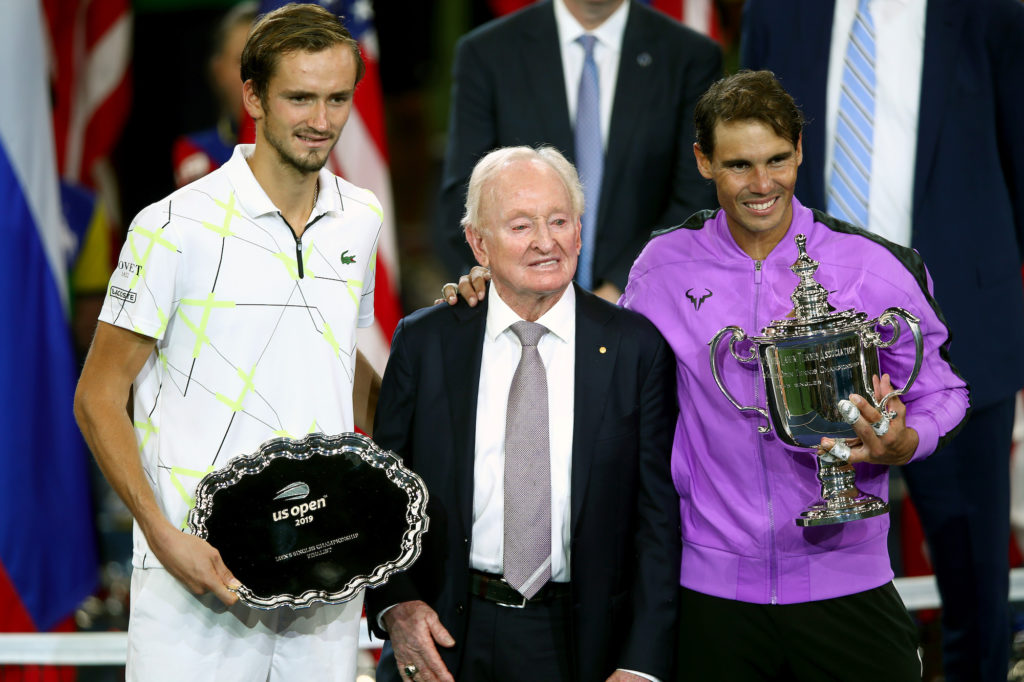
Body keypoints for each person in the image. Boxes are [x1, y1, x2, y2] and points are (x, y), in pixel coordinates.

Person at [73, 5, 382, 680]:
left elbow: (335, 352)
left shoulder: (360, 217)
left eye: (337, 99)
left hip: (321, 585)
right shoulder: (171, 225)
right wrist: (162, 535)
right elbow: (98, 396)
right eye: (299, 97)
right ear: (252, 96)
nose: (321, 121)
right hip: (195, 587)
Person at [740, 2, 1024, 678]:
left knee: (972, 587)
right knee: (811, 588)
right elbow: (748, 166)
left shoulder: (992, 16)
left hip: (960, 344)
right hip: (800, 350)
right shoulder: (778, 13)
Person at [366, 146, 680, 682]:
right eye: (520, 225)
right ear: (477, 243)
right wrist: (396, 607)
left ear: (580, 232)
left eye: (559, 221)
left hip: (585, 647)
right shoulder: (426, 342)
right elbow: (381, 497)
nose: (545, 241)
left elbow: (658, 522)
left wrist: (641, 663)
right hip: (445, 634)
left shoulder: (636, 349)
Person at [434, 0, 722, 302]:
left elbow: (695, 196)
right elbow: (467, 195)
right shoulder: (487, 53)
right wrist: (519, 289)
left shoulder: (690, 56)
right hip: (520, 306)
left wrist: (617, 291)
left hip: (642, 307)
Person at [172, 2, 257, 188]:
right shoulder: (197, 151)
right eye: (242, 61)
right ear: (217, 71)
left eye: (265, 61)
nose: (255, 74)